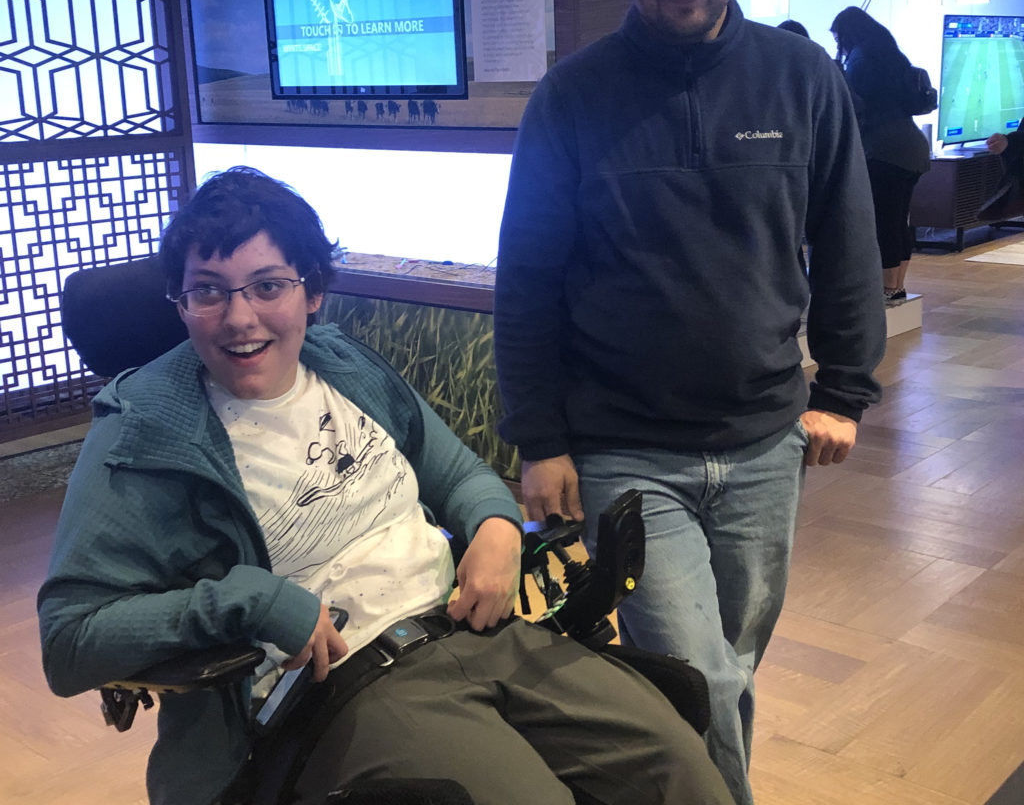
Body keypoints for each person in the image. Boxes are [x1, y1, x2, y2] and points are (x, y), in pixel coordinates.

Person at [37, 167, 733, 805]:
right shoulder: (144, 434)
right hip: (345, 685)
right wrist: (251, 601)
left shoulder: (340, 364)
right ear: (179, 304)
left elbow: (455, 469)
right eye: (208, 292)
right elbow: (69, 641)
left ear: (311, 292)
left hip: (478, 626)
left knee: (680, 767)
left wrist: (493, 524)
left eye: (268, 286)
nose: (240, 317)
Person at [492, 0, 885, 805]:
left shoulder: (802, 80)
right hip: (627, 447)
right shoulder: (572, 99)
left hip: (764, 445)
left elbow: (846, 243)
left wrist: (843, 390)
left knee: (730, 666)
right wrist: (540, 439)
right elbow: (528, 278)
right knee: (696, 673)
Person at [830, 6, 932, 302]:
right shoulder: (891, 55)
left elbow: (855, 106)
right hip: (912, 148)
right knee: (899, 220)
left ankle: (887, 289)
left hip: (885, 150)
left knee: (884, 221)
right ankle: (897, 285)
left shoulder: (861, 59)